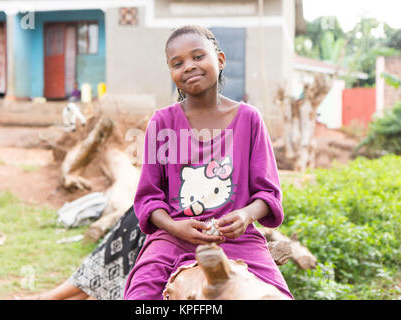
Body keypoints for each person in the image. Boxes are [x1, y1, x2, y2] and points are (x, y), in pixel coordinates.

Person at [123, 25, 293, 300]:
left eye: (198, 57)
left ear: (221, 60)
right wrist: (175, 227)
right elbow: (149, 199)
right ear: (171, 73)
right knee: (141, 295)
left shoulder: (249, 119)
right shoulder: (162, 122)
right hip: (172, 241)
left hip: (237, 239)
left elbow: (268, 194)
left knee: (274, 295)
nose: (189, 66)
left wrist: (245, 216)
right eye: (177, 63)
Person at [18, 206, 146, 300]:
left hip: (151, 225)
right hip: (143, 215)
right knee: (101, 269)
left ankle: (46, 298)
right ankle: (46, 298)